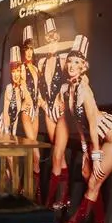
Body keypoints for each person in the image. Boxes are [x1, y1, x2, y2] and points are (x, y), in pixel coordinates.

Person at [55, 35, 112, 223]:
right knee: (90, 178)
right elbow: (80, 125)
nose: (71, 65)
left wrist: (95, 157)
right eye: (70, 61)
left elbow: (93, 125)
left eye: (77, 62)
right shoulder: (69, 89)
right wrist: (86, 152)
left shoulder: (85, 90)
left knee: (94, 181)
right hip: (96, 138)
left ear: (83, 66)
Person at [37, 18, 70, 209]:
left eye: (53, 35)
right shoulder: (41, 62)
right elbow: (39, 88)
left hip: (62, 112)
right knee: (60, 155)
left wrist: (62, 95)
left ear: (57, 36)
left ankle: (50, 201)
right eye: (48, 37)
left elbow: (72, 79)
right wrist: (42, 103)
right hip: (48, 111)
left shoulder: (64, 58)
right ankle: (64, 197)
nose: (51, 39)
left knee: (57, 155)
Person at [0, 46, 33, 192]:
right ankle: (17, 186)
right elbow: (6, 112)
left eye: (18, 71)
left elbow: (28, 102)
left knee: (9, 161)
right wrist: (7, 132)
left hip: (12, 127)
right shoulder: (9, 88)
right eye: (13, 71)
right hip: (3, 125)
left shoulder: (22, 90)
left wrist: (23, 84)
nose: (15, 74)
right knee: (11, 157)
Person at [19, 25, 42, 202]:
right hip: (26, 110)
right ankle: (34, 191)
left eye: (31, 49)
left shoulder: (36, 68)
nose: (29, 52)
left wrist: (40, 102)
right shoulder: (20, 68)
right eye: (26, 49)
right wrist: (28, 99)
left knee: (32, 154)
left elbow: (39, 90)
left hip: (36, 110)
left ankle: (29, 191)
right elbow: (22, 87)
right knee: (35, 152)